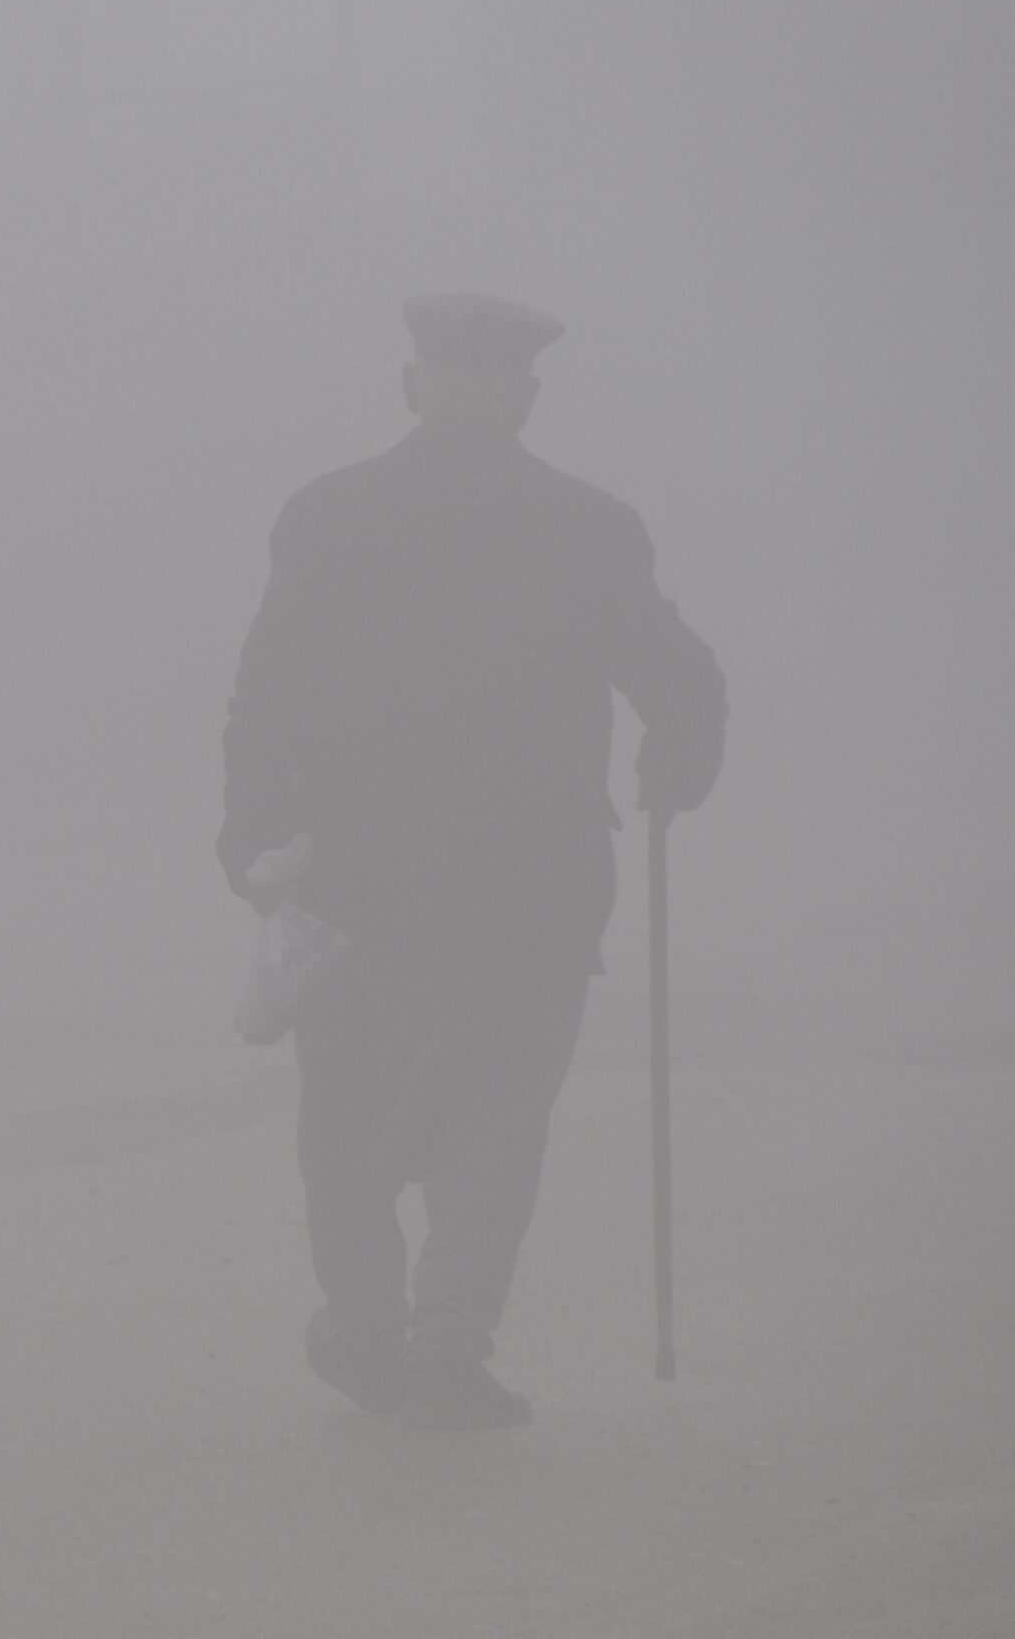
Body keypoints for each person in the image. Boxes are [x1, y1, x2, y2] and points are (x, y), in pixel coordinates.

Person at [219, 293, 726, 1430]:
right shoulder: (588, 524)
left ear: (412, 385)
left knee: (346, 1113)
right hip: (531, 883)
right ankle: (447, 1342)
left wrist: (251, 836)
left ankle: (361, 1322)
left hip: (362, 877)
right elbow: (679, 676)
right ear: (526, 396)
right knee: (496, 1121)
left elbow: (269, 691)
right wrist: (675, 759)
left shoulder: (328, 515)